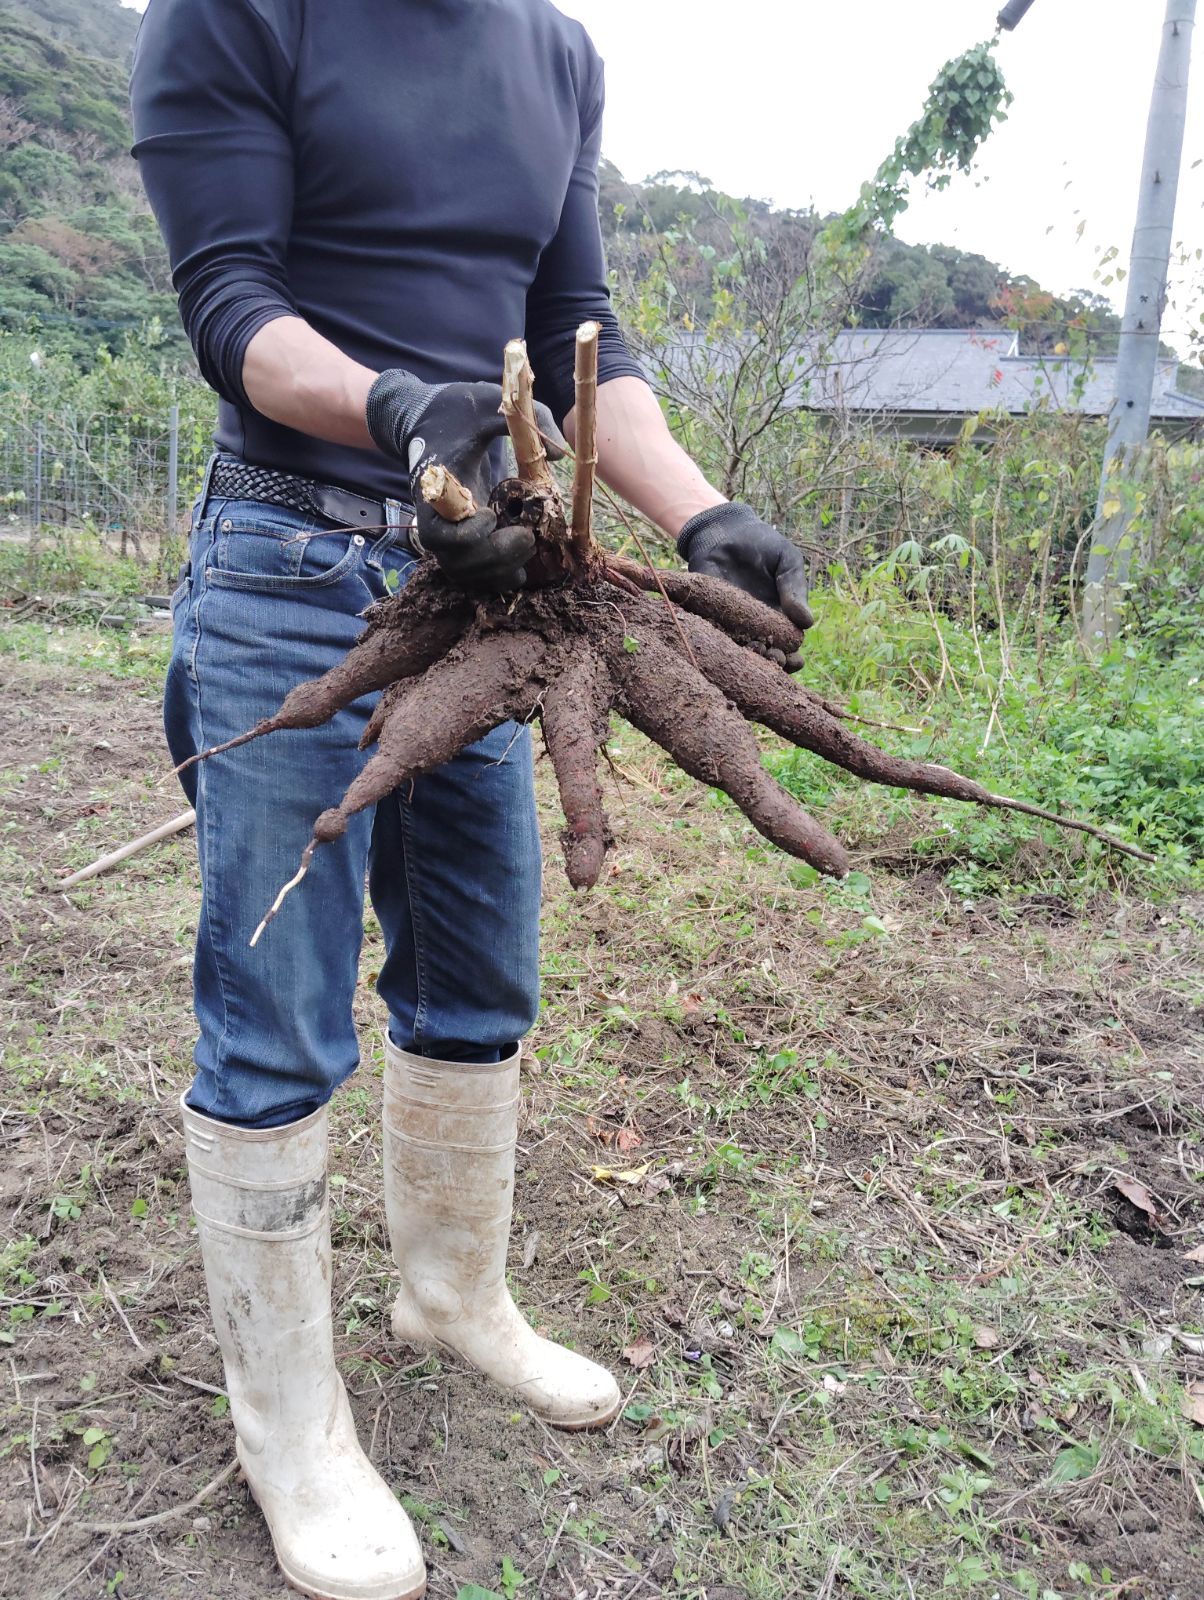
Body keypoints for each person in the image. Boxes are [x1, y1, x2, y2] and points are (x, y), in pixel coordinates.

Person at [131, 3, 813, 1596]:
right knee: (279, 1008)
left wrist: (706, 513)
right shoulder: (239, 13)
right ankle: (287, 1420)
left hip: (502, 582)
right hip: (297, 561)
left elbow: (586, 337)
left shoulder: (557, 53)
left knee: (477, 975)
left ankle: (451, 1296)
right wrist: (394, 410)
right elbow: (229, 304)